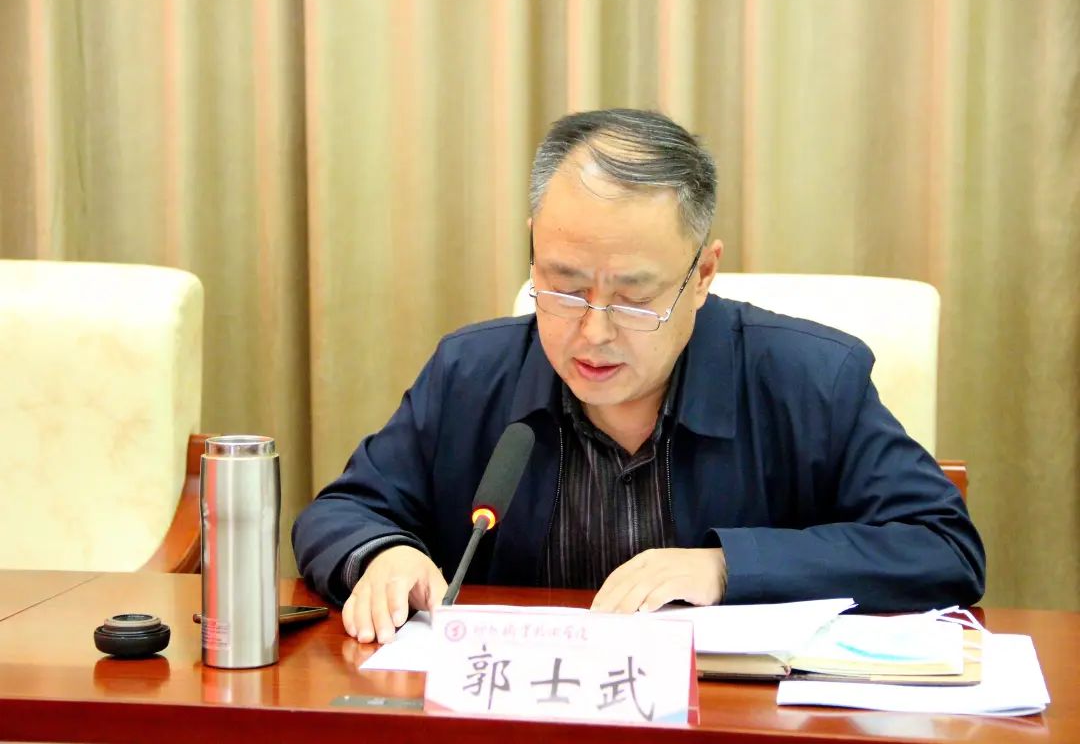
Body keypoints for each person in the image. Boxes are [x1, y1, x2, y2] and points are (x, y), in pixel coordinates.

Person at [292, 109, 985, 645]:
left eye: (632, 298)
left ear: (702, 273)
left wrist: (726, 567)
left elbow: (942, 546)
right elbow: (341, 511)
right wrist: (383, 554)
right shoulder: (469, 374)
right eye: (564, 287)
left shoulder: (812, 380)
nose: (594, 331)